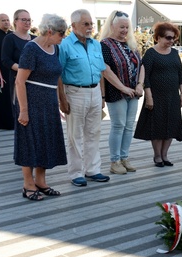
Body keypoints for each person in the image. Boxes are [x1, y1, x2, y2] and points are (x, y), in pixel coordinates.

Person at [14, 14, 68, 201]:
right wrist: (23, 110)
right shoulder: (31, 49)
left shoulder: (56, 48)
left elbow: (57, 77)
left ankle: (41, 181)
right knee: (29, 142)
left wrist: (61, 99)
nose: (63, 37)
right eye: (62, 34)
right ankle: (28, 184)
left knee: (46, 140)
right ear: (50, 31)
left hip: (49, 102)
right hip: (31, 101)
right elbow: (20, 81)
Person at [58, 9, 111, 186]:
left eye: (91, 24)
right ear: (73, 26)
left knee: (94, 132)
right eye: (85, 24)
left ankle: (93, 169)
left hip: (95, 91)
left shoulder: (96, 44)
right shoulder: (64, 45)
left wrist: (102, 95)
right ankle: (76, 173)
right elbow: (58, 75)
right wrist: (62, 100)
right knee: (75, 135)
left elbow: (101, 71)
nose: (90, 27)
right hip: (74, 92)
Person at [98, 10, 144, 174]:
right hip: (116, 91)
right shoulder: (105, 44)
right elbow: (105, 70)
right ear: (112, 26)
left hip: (134, 92)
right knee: (118, 125)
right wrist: (123, 88)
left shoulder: (131, 43)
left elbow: (141, 65)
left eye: (126, 27)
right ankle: (114, 160)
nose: (124, 30)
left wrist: (140, 84)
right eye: (121, 27)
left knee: (129, 126)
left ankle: (124, 157)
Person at [134, 22, 182, 167]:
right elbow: (146, 77)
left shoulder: (174, 53)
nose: (171, 41)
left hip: (172, 96)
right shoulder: (151, 53)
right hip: (156, 96)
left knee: (171, 125)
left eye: (173, 38)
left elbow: (180, 73)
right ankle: (157, 156)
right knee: (156, 127)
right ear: (158, 37)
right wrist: (148, 96)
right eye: (168, 38)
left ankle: (165, 155)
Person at [1, 9, 37, 114]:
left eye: (29, 20)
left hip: (35, 81)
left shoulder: (35, 39)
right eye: (24, 19)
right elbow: (5, 59)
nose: (27, 22)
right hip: (19, 79)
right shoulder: (10, 38)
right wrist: (23, 70)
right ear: (15, 21)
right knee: (21, 112)